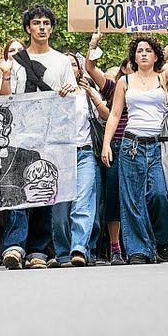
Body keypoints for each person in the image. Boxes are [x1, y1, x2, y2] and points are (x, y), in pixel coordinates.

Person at [0, 4, 78, 270]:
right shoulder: (16, 62)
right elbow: (6, 97)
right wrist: (6, 75)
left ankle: (38, 250)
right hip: (22, 131)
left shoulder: (62, 61)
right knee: (17, 189)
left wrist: (69, 90)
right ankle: (14, 246)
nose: (42, 27)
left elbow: (73, 98)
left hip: (51, 133)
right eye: (36, 23)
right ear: (28, 28)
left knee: (45, 187)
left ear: (51, 28)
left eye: (46, 23)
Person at [100, 29, 168, 264]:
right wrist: (107, 144)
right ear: (134, 56)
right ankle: (139, 249)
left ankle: (161, 240)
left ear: (156, 55)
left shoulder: (163, 78)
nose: (143, 54)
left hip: (160, 147)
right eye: (139, 51)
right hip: (131, 146)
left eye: (148, 50)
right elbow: (115, 114)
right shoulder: (124, 81)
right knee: (132, 200)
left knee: (160, 194)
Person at [49, 52, 103, 267]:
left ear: (79, 69)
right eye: (64, 65)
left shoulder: (88, 93)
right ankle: (62, 252)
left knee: (83, 202)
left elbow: (107, 116)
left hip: (85, 153)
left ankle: (79, 248)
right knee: (60, 208)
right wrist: (58, 98)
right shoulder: (52, 93)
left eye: (73, 65)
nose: (69, 68)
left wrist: (91, 93)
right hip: (60, 155)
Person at [84, 33, 131, 264]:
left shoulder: (156, 85)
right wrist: (94, 44)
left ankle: (142, 244)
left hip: (144, 145)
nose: (135, 65)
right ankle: (114, 246)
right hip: (118, 144)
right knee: (112, 196)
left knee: (142, 197)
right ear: (123, 69)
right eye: (129, 63)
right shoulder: (115, 88)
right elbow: (90, 68)